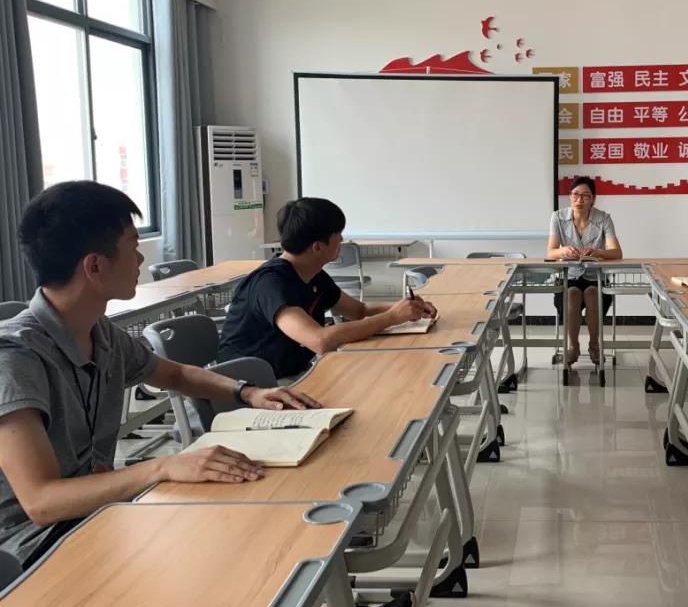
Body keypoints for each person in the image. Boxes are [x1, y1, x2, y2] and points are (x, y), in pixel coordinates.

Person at [0, 181, 318, 571]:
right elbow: (41, 502)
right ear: (95, 266)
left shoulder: (101, 333)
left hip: (97, 513)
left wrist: (246, 392)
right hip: (32, 551)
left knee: (245, 521)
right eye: (132, 246)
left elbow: (174, 374)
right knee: (221, 551)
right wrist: (163, 465)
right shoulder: (14, 357)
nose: (139, 258)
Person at [218, 198, 436, 380]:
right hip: (256, 385)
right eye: (337, 234)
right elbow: (319, 340)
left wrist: (405, 308)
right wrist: (392, 317)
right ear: (318, 246)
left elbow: (359, 310)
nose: (342, 239)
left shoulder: (313, 274)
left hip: (292, 373)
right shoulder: (271, 284)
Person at [547, 177, 623, 366]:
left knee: (592, 292)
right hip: (568, 277)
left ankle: (594, 345)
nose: (579, 200)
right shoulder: (558, 217)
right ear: (570, 196)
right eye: (575, 195)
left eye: (585, 196)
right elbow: (551, 252)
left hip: (595, 277)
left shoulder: (603, 218)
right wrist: (564, 251)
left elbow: (616, 252)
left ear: (593, 199)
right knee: (572, 293)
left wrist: (598, 252)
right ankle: (573, 346)